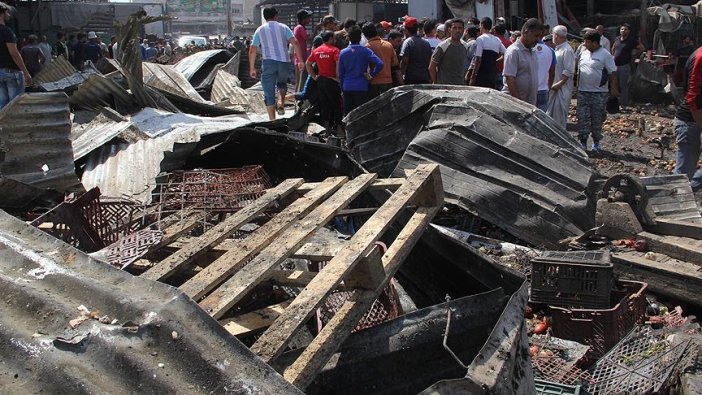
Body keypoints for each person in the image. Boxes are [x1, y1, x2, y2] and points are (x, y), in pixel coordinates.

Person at [249, 7, 304, 120]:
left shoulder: (260, 30)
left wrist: (252, 68)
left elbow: (252, 50)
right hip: (284, 61)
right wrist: (301, 61)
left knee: (269, 93)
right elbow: (296, 43)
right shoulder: (284, 27)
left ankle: (272, 121)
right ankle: (280, 102)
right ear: (276, 16)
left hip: (268, 62)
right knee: (282, 83)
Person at [577, 30, 618, 152]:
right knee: (582, 118)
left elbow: (613, 72)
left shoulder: (605, 54)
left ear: (594, 43)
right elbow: (579, 70)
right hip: (583, 92)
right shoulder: (583, 53)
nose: (584, 44)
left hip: (599, 93)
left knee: (597, 118)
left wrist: (614, 88)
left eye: (587, 42)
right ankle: (583, 143)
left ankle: (596, 143)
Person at [673, 46, 702, 193]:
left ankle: (687, 193)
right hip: (691, 121)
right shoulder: (700, 57)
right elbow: (693, 97)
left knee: (684, 179)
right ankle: (670, 209)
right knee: (682, 177)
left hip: (694, 120)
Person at [338, 25, 383, 115]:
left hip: (347, 86)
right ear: (360, 37)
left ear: (349, 37)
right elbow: (380, 63)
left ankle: (348, 129)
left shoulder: (342, 52)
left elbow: (340, 73)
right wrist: (371, 74)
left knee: (348, 114)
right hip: (361, 86)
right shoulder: (365, 51)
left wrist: (342, 89)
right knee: (361, 114)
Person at [306, 30, 341, 135]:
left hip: (321, 81)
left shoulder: (317, 50)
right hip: (331, 80)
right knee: (336, 105)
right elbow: (338, 65)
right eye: (334, 38)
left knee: (325, 105)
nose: (335, 40)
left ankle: (327, 131)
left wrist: (314, 76)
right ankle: (339, 129)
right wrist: (338, 78)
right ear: (330, 39)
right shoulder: (335, 50)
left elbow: (308, 64)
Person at [502, 18, 541, 105]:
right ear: (526, 32)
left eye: (539, 36)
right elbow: (510, 79)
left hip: (529, 105)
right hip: (515, 105)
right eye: (536, 36)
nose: (538, 39)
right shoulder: (514, 51)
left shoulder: (533, 52)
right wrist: (519, 104)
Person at [0, 1, 30, 109]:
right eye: (8, 13)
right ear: (3, 13)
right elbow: (14, 53)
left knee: (2, 106)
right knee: (16, 106)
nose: (9, 16)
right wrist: (26, 73)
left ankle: (3, 126)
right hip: (11, 73)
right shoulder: (7, 31)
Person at [547, 25, 575, 129]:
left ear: (557, 36)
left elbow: (569, 70)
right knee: (550, 116)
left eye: (553, 35)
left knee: (559, 117)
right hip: (553, 87)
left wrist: (559, 84)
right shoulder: (557, 49)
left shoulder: (567, 50)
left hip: (561, 88)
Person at [364, 22, 401, 97]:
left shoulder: (367, 47)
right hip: (388, 81)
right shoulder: (388, 45)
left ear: (365, 35)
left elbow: (365, 67)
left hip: (374, 82)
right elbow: (395, 64)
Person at [612, 23, 643, 109]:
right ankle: (614, 103)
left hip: (624, 65)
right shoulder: (617, 39)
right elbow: (613, 48)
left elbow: (641, 48)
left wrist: (635, 55)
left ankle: (624, 104)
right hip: (615, 65)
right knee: (614, 84)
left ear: (628, 31)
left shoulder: (631, 40)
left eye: (625, 29)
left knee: (623, 85)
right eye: (622, 29)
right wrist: (613, 56)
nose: (623, 31)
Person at [468, 17, 506, 88]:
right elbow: (506, 54)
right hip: (492, 74)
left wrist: (473, 76)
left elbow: (478, 59)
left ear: (482, 25)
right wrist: (494, 62)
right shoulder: (497, 40)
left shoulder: (480, 39)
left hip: (481, 74)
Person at [429, 18, 467, 85]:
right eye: (454, 28)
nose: (457, 30)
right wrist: (436, 83)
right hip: (444, 89)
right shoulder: (442, 46)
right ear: (450, 30)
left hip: (460, 88)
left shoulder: (465, 46)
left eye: (460, 28)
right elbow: (432, 67)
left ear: (463, 30)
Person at [400, 16, 432, 84]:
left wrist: (400, 75)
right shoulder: (426, 43)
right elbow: (430, 61)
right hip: (424, 78)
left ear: (406, 29)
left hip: (411, 79)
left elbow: (404, 61)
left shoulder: (407, 42)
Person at [535, 28, 556, 112]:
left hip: (530, 90)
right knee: (541, 117)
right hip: (544, 89)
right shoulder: (550, 51)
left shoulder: (529, 49)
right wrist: (549, 87)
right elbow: (552, 72)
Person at [294, 9, 312, 90]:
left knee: (299, 81)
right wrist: (315, 30)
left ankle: (296, 100)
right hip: (300, 59)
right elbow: (308, 38)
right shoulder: (300, 28)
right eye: (308, 17)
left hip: (300, 58)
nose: (309, 19)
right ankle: (297, 100)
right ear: (304, 18)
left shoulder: (300, 27)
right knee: (300, 81)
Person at [492, 23, 511, 90]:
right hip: (506, 72)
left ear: (495, 31)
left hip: (495, 70)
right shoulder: (510, 43)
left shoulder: (494, 41)